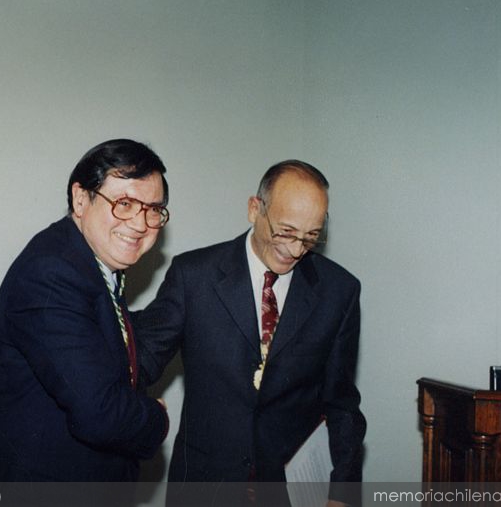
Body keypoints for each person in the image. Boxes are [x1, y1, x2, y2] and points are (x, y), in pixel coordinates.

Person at [135, 160, 365, 506]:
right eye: (285, 232)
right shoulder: (193, 276)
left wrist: (343, 494)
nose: (295, 250)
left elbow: (342, 404)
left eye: (311, 238)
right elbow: (141, 358)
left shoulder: (339, 292)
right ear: (254, 209)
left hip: (289, 493)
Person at [0, 139, 171, 506]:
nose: (139, 224)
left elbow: (109, 345)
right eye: (124, 204)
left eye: (153, 210)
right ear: (80, 199)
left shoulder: (92, 262)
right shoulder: (53, 271)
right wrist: (156, 417)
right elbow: (99, 414)